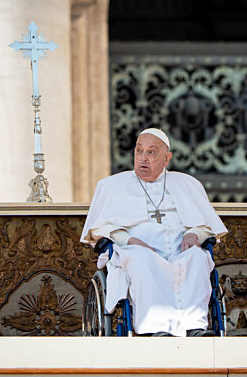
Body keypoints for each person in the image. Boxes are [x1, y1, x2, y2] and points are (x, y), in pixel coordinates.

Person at [80, 128, 227, 337]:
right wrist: (129, 240)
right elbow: (99, 228)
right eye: (138, 151)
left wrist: (195, 234)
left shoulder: (187, 184)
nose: (143, 159)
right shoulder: (112, 186)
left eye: (151, 153)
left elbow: (207, 225)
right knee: (143, 259)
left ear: (167, 158)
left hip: (180, 251)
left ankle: (195, 327)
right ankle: (156, 328)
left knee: (197, 257)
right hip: (134, 250)